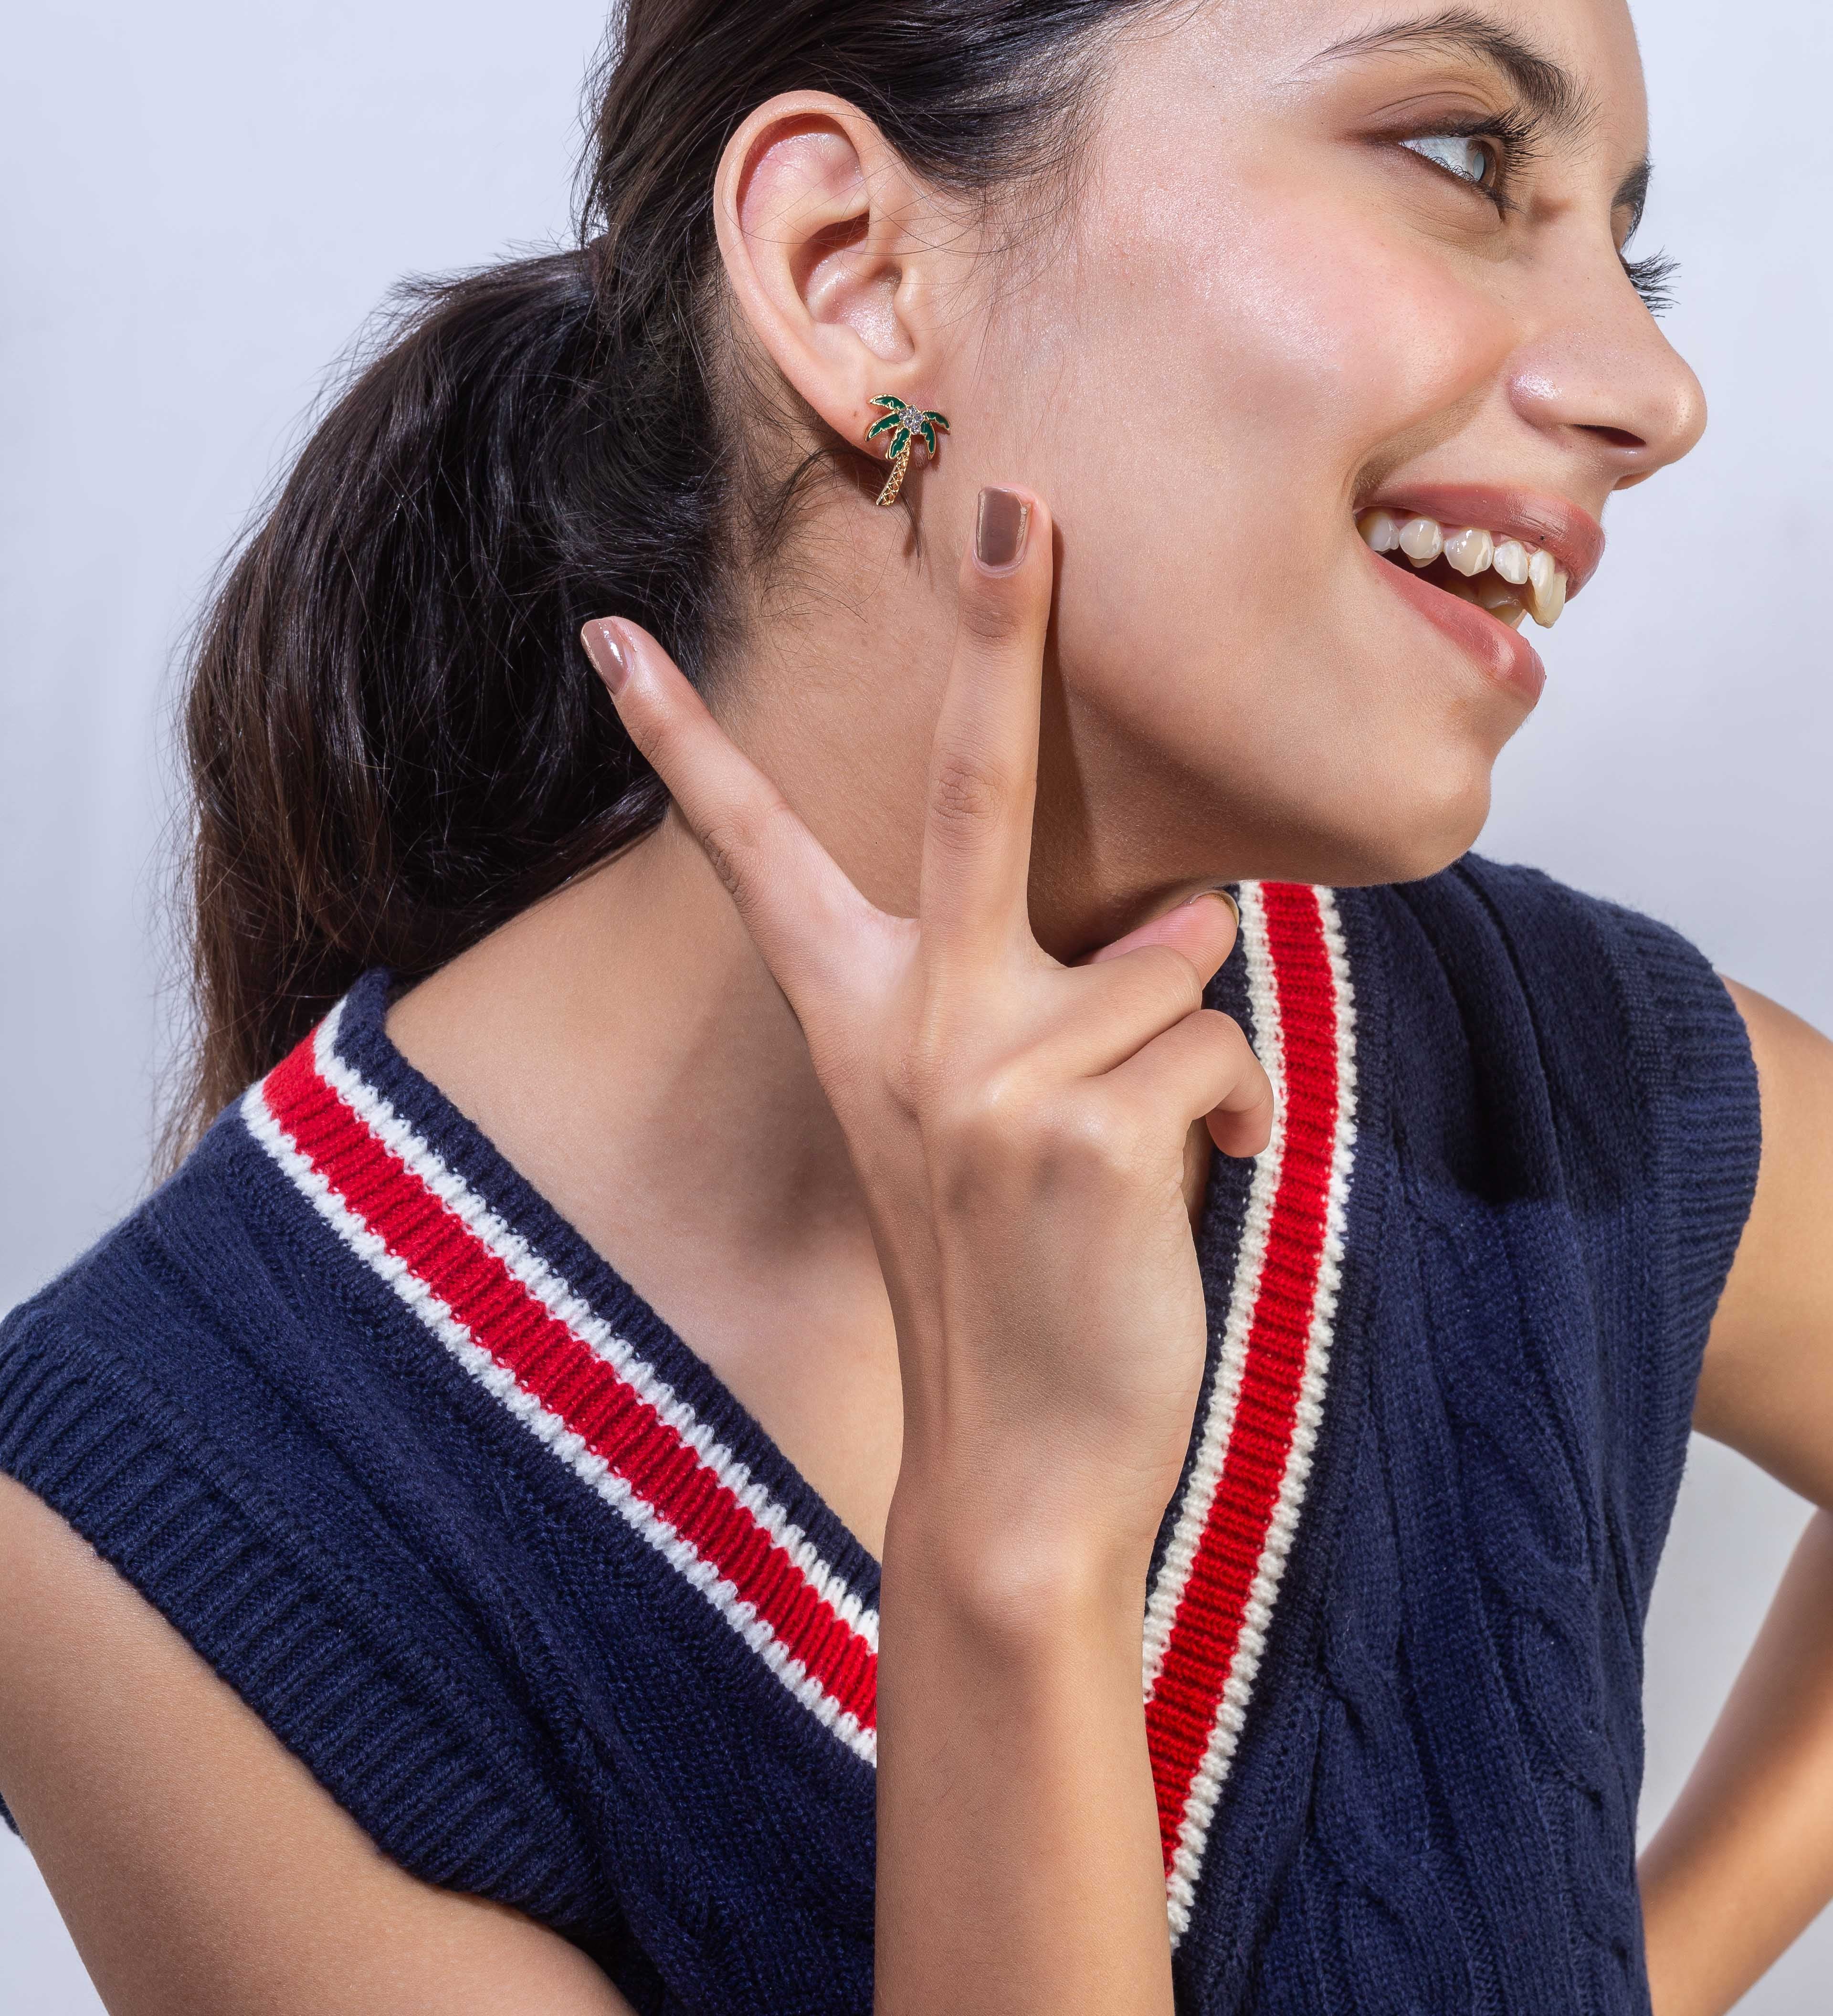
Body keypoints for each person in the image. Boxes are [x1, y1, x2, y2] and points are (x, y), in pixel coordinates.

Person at [2, 0, 1830, 2009]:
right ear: (853, 277)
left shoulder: (1555, 1077)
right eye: (1465, 159)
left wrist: (1645, 1968)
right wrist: (1018, 1545)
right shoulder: (161, 1544)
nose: (1657, 391)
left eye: (1631, 252)